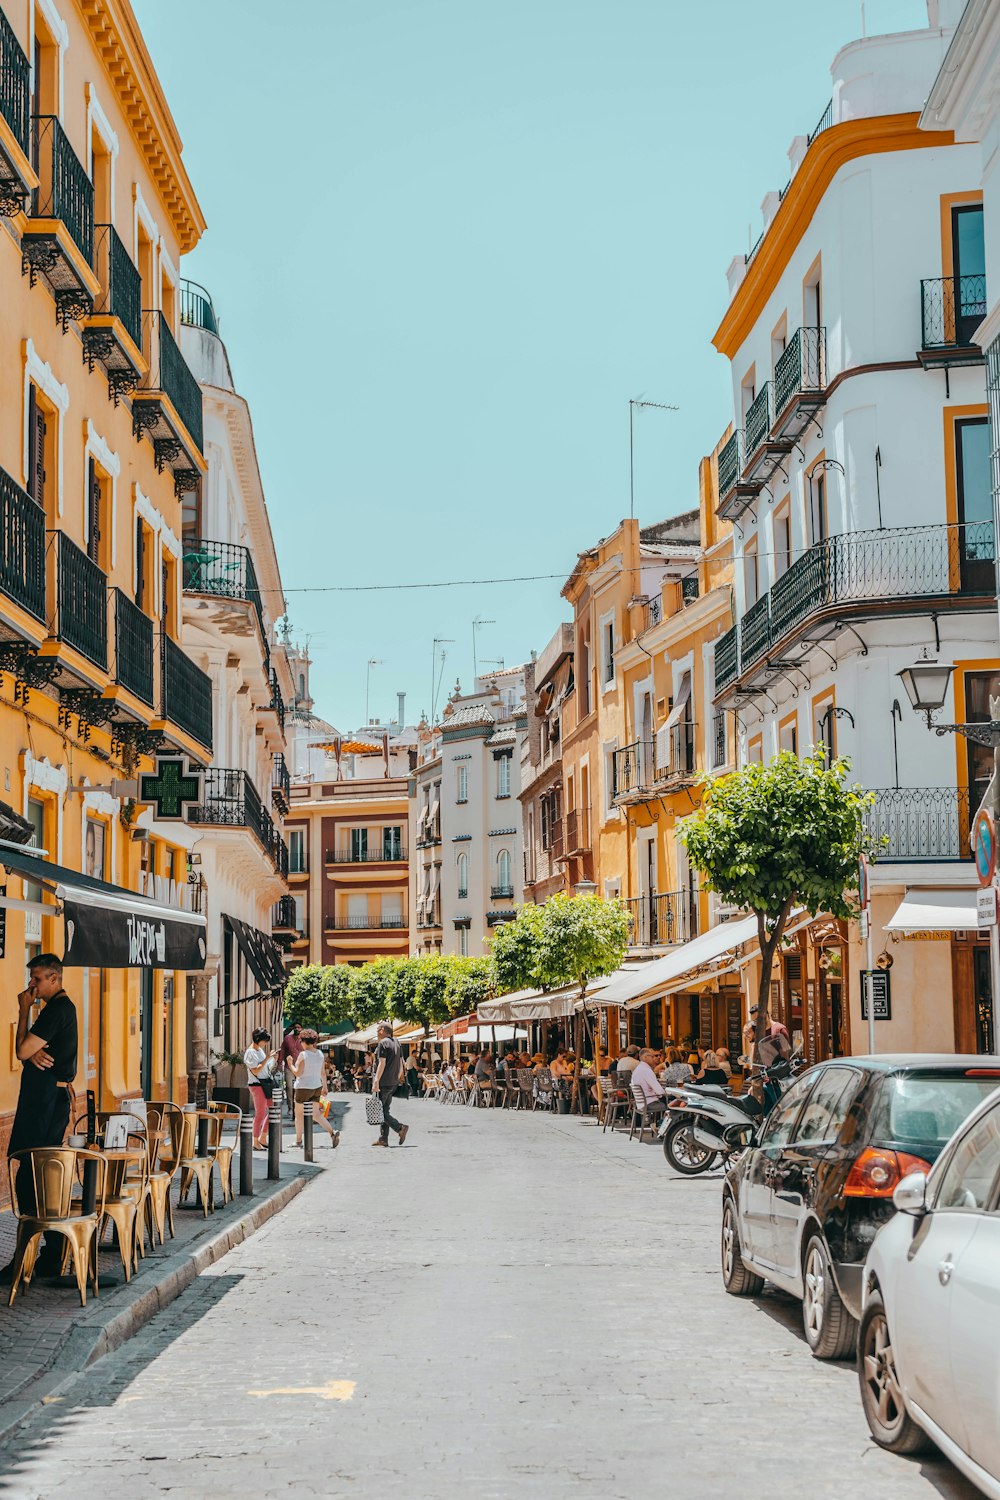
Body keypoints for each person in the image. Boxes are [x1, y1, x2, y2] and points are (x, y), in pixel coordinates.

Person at [1, 955, 79, 1279]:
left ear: (54, 979)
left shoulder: (58, 1009)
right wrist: (31, 1049)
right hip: (45, 1102)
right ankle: (45, 1253)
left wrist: (23, 1010)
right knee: (39, 1176)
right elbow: (26, 1051)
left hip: (45, 1105)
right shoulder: (56, 1010)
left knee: (32, 1177)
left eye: (37, 979)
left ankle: (32, 1257)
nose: (31, 984)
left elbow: (19, 1051)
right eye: (31, 978)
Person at [291, 1030, 339, 1147]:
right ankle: (332, 1132)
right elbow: (323, 1073)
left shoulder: (303, 1055)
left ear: (303, 1041)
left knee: (298, 1115)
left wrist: (290, 1063)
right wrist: (325, 1087)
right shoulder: (320, 1054)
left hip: (303, 1087)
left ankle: (298, 1141)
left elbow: (298, 1073)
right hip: (316, 1086)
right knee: (316, 1114)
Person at [371, 1022, 409, 1148]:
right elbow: (401, 1062)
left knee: (380, 1112)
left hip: (383, 1081)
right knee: (384, 1109)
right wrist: (398, 1077)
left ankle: (400, 1128)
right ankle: (383, 1139)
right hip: (393, 1081)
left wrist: (376, 1081)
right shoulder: (397, 1042)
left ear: (383, 1030)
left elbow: (382, 1063)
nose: (377, 1032)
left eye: (378, 1029)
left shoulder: (383, 1043)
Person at [244, 1028, 279, 1149]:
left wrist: (273, 1060)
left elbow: (266, 1068)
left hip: (266, 1084)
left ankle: (263, 1137)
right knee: (260, 1113)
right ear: (258, 1039)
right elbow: (256, 1070)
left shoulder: (260, 1051)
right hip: (257, 1085)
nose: (265, 1044)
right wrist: (267, 1058)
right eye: (264, 1041)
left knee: (273, 1110)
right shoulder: (251, 1052)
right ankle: (255, 1141)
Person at [630, 1048, 667, 1121]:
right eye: (652, 1056)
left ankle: (658, 1124)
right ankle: (662, 1126)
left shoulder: (638, 1069)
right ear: (645, 1057)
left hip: (641, 1103)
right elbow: (660, 1092)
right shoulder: (646, 1070)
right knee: (673, 1105)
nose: (654, 1059)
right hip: (649, 1103)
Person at [277, 1022, 303, 1112]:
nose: (297, 1029)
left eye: (299, 1027)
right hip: (289, 1067)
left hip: (301, 1068)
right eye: (295, 1027)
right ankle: (290, 1108)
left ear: (302, 1029)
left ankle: (299, 1108)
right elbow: (282, 1051)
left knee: (299, 1088)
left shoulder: (303, 1040)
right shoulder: (287, 1039)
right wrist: (279, 1064)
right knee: (289, 1087)